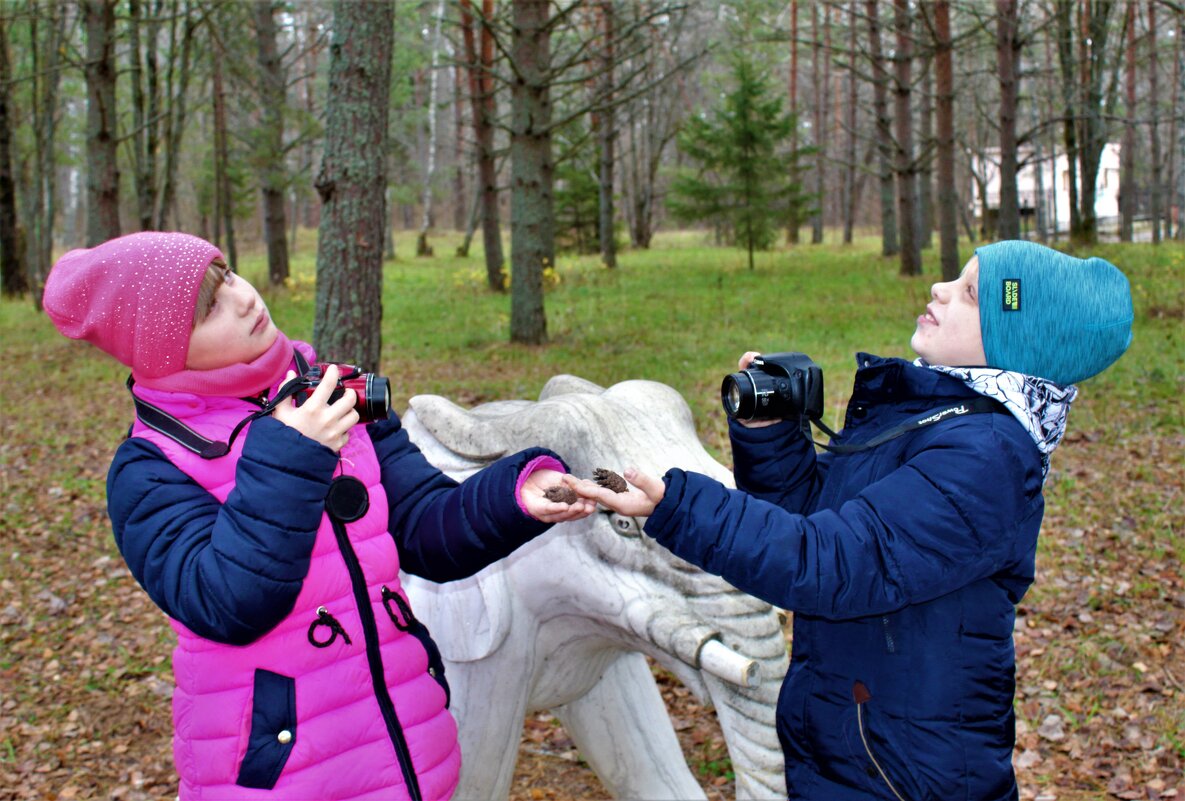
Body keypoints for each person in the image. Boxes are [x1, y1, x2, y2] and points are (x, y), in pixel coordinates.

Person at [568, 240, 1133, 800]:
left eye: (969, 295)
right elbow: (815, 520)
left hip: (907, 771)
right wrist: (771, 436)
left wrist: (679, 507)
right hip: (857, 738)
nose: (940, 290)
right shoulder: (936, 419)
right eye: (956, 279)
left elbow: (829, 563)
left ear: (1014, 342)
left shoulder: (986, 458)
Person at [42, 231, 595, 801]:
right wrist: (292, 454)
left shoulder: (331, 393)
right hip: (282, 775)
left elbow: (426, 529)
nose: (244, 298)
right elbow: (229, 603)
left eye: (227, 273)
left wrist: (518, 497)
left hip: (409, 751)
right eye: (207, 308)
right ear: (160, 350)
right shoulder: (150, 468)